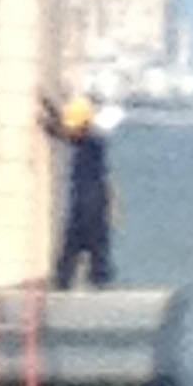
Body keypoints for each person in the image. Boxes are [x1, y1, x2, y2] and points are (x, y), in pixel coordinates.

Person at [40, 93, 114, 288]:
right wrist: (49, 108)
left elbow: (66, 134)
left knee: (90, 245)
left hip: (91, 202)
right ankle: (67, 283)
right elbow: (68, 132)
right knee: (76, 247)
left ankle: (97, 283)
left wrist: (48, 122)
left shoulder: (92, 140)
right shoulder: (89, 137)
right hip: (86, 200)